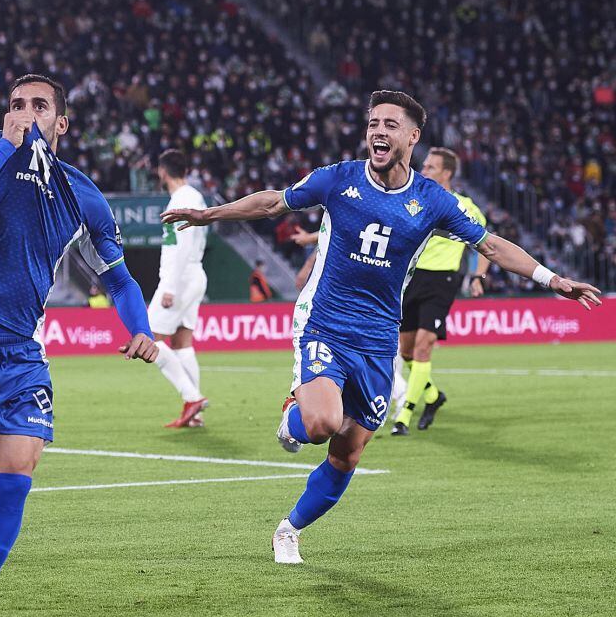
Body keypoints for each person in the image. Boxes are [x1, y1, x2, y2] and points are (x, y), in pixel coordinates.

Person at [162, 90, 601, 565]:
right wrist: (209, 214)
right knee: (321, 423)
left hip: (377, 339)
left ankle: (289, 529)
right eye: (373, 123)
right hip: (325, 323)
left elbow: (491, 246)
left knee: (347, 453)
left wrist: (551, 278)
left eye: (391, 124)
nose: (378, 131)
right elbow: (274, 203)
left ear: (413, 137)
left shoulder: (433, 201)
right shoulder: (339, 179)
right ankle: (296, 413)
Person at [0, 74, 157, 617]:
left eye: (39, 106)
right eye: (16, 105)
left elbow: (118, 280)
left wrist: (140, 328)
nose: (25, 113)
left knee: (15, 478)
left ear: (61, 122)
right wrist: (3, 145)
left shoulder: (81, 194)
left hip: (22, 357)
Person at [390, 147, 491, 435]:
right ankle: (433, 397)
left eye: (432, 167)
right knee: (407, 352)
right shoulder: (413, 199)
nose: (424, 171)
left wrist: (478, 276)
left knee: (423, 346)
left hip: (442, 281)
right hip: (411, 280)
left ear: (447, 173)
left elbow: (487, 245)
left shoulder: (464, 206)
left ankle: (404, 416)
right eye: (425, 165)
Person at [148, 149, 209, 428]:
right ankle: (194, 414)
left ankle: (191, 397)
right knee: (182, 342)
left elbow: (180, 246)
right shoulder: (194, 197)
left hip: (181, 277)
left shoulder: (181, 201)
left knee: (151, 338)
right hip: (194, 273)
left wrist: (170, 286)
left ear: (162, 172)